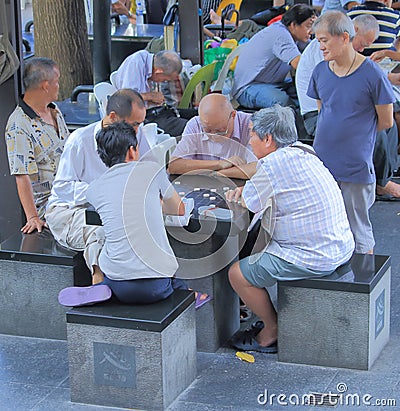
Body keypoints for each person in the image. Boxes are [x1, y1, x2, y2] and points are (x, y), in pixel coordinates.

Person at [226, 105, 355, 353]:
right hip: (339, 246)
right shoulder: (304, 151)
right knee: (261, 241)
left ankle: (271, 330)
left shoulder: (271, 165)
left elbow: (248, 203)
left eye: (252, 134)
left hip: (314, 257)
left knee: (237, 274)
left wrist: (240, 193)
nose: (249, 140)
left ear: (268, 138)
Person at [58, 122, 211, 307]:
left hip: (118, 284)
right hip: (158, 286)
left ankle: (102, 286)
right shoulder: (152, 170)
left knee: (105, 239)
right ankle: (185, 291)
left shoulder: (94, 188)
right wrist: (156, 202)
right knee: (165, 267)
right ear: (132, 151)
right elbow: (178, 209)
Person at [307, 11, 395, 253]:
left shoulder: (372, 74)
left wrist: (356, 133)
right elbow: (324, 111)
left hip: (355, 166)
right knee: (325, 227)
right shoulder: (320, 71)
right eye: (318, 40)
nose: (320, 46)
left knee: (358, 230)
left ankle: (364, 285)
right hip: (323, 164)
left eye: (324, 40)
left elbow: (386, 121)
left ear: (344, 37)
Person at [45, 89, 147, 285]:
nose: (137, 130)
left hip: (110, 207)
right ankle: (97, 282)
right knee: (101, 231)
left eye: (140, 124)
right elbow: (63, 188)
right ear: (113, 117)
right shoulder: (80, 140)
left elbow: (149, 168)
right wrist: (103, 192)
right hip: (69, 210)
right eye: (134, 123)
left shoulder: (137, 133)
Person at [296, 15, 400, 198]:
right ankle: (382, 183)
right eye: (363, 44)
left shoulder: (364, 68)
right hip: (318, 121)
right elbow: (326, 106)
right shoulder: (323, 62)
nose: (362, 49)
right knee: (379, 134)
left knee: (388, 127)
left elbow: (384, 119)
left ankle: (382, 179)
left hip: (343, 127)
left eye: (324, 41)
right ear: (350, 34)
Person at [5, 57, 69, 234]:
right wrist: (33, 217)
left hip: (71, 193)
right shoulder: (19, 125)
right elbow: (21, 174)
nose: (59, 85)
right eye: (57, 81)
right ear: (45, 85)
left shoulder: (54, 110)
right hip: (51, 206)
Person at [232, 4, 316, 109]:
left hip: (274, 83)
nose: (312, 31)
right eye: (308, 26)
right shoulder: (280, 34)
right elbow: (299, 64)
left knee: (306, 93)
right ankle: (298, 125)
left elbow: (315, 50)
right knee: (285, 104)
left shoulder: (295, 35)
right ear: (294, 25)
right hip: (248, 88)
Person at [168, 94, 257, 179]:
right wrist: (219, 164)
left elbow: (259, 169)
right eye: (208, 130)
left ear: (233, 115)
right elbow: (174, 166)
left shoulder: (252, 125)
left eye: (220, 131)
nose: (214, 137)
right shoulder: (195, 125)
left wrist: (217, 173)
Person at [113, 49, 189, 136]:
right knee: (191, 128)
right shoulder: (135, 64)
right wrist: (151, 96)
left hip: (158, 112)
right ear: (159, 72)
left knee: (196, 116)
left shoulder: (149, 60)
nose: (163, 82)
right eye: (164, 80)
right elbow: (126, 98)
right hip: (145, 119)